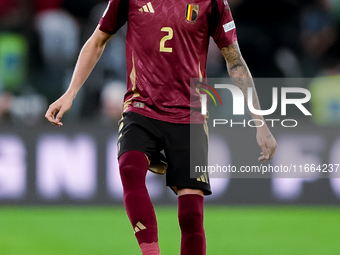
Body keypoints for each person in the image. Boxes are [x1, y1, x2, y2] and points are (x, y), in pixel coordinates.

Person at [45, 0, 277, 254]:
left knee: (191, 214)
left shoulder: (213, 4)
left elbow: (235, 63)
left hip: (190, 115)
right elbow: (97, 40)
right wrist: (70, 93)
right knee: (130, 166)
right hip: (141, 105)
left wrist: (260, 122)